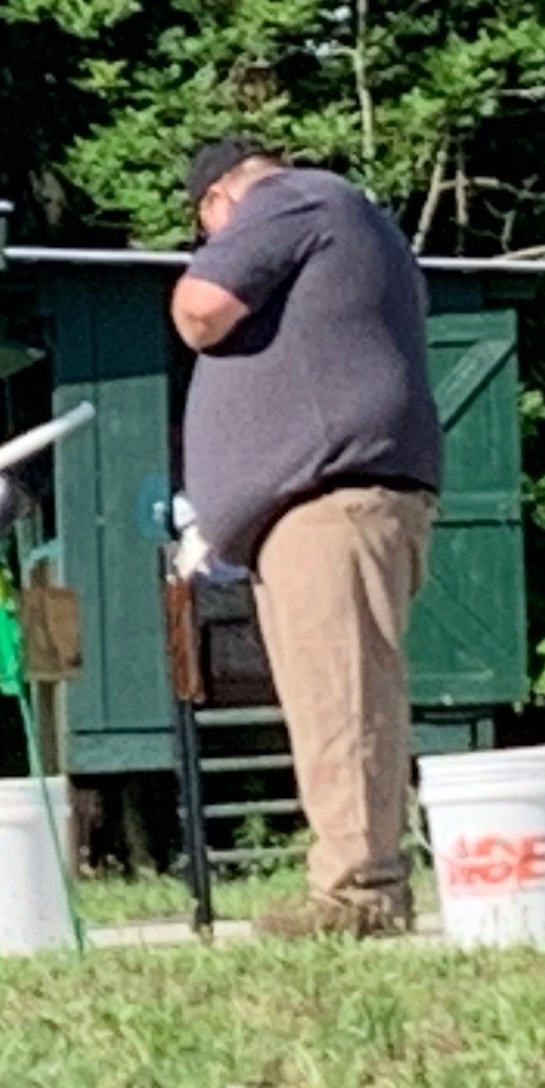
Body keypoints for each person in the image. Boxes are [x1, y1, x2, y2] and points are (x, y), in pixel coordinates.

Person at [171, 140, 443, 940]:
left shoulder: (288, 200)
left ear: (217, 201)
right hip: (317, 510)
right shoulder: (339, 214)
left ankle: (361, 890)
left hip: (331, 502)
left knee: (344, 697)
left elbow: (201, 308)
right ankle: (354, 875)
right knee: (333, 700)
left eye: (208, 227)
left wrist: (217, 254)